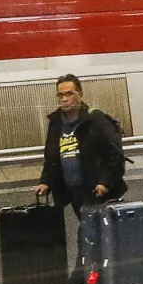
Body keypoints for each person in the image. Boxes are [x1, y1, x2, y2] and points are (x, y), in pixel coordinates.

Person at [41, 73, 125, 211]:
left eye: (69, 94)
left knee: (96, 229)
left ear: (80, 95)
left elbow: (115, 152)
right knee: (87, 227)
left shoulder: (95, 119)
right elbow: (51, 157)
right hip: (72, 191)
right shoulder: (56, 122)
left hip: (96, 190)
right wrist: (45, 181)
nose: (64, 99)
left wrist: (105, 182)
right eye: (60, 95)